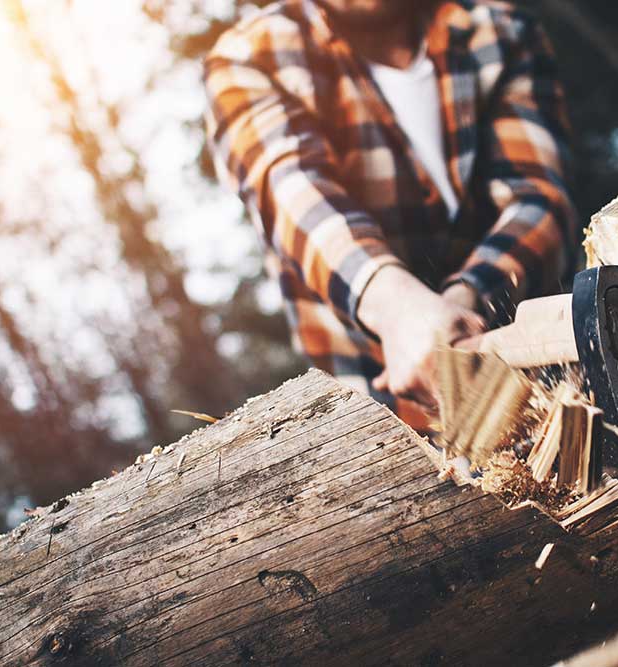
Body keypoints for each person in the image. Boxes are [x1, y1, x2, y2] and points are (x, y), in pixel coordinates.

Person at [204, 0, 578, 431]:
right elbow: (294, 193)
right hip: (385, 429)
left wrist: (460, 306)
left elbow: (539, 198)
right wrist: (396, 308)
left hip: (553, 384)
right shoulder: (251, 58)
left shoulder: (498, 29)